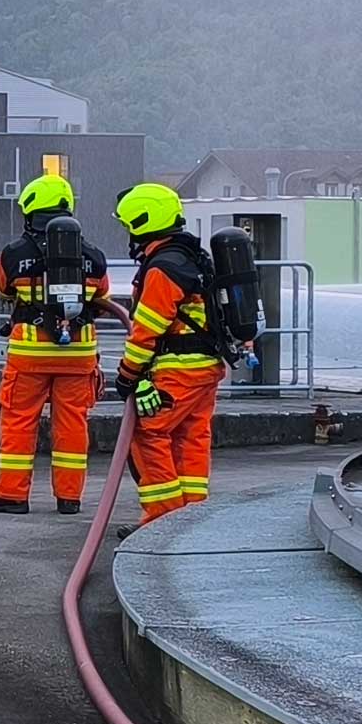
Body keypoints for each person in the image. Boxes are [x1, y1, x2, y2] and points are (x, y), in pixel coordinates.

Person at [0, 174, 111, 515]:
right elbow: (103, 297)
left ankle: (12, 495)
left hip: (30, 356)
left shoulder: (14, 254)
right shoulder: (94, 256)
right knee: (71, 426)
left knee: (19, 422)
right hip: (78, 357)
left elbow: (2, 289)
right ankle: (69, 498)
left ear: (29, 213)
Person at [113, 183, 226, 531]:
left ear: (142, 222)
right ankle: (192, 522)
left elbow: (147, 330)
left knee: (148, 436)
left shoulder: (163, 267)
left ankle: (162, 523)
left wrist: (128, 374)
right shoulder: (193, 257)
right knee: (191, 438)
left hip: (177, 369)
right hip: (205, 367)